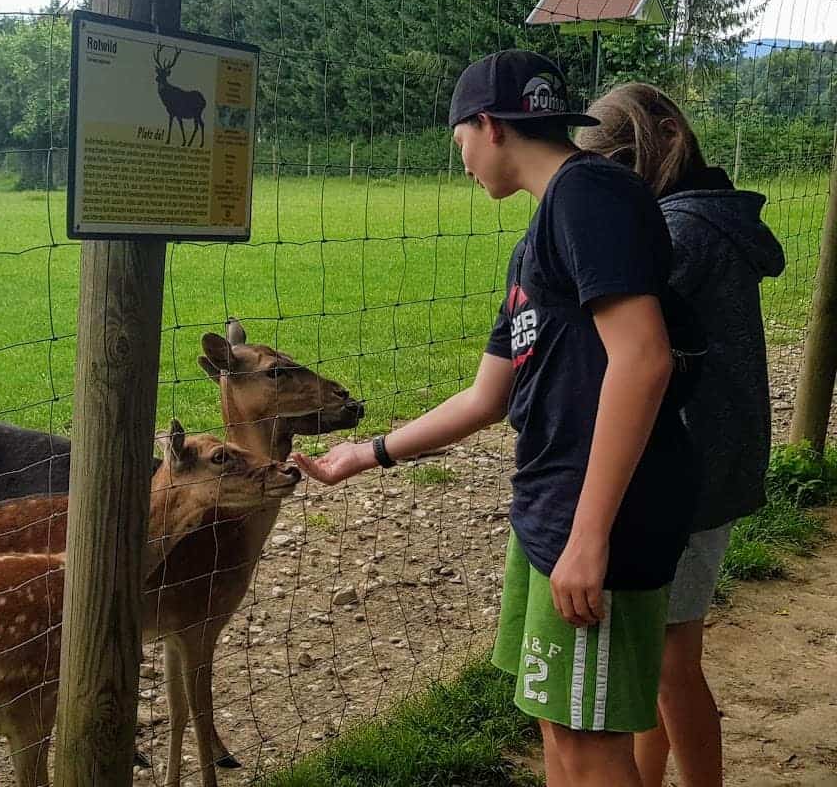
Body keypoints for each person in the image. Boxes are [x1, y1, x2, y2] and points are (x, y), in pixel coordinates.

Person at [295, 50, 697, 786]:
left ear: (489, 125)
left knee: (591, 740)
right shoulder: (540, 237)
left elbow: (644, 359)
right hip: (553, 508)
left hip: (598, 516)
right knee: (558, 720)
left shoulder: (588, 196)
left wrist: (588, 535)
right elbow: (490, 395)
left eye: (460, 142)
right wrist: (366, 453)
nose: (463, 161)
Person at [576, 82, 785, 787]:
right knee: (658, 656)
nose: (618, 182)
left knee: (670, 662)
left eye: (623, 161)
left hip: (688, 472)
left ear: (669, 135)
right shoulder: (704, 219)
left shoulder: (683, 231)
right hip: (710, 460)